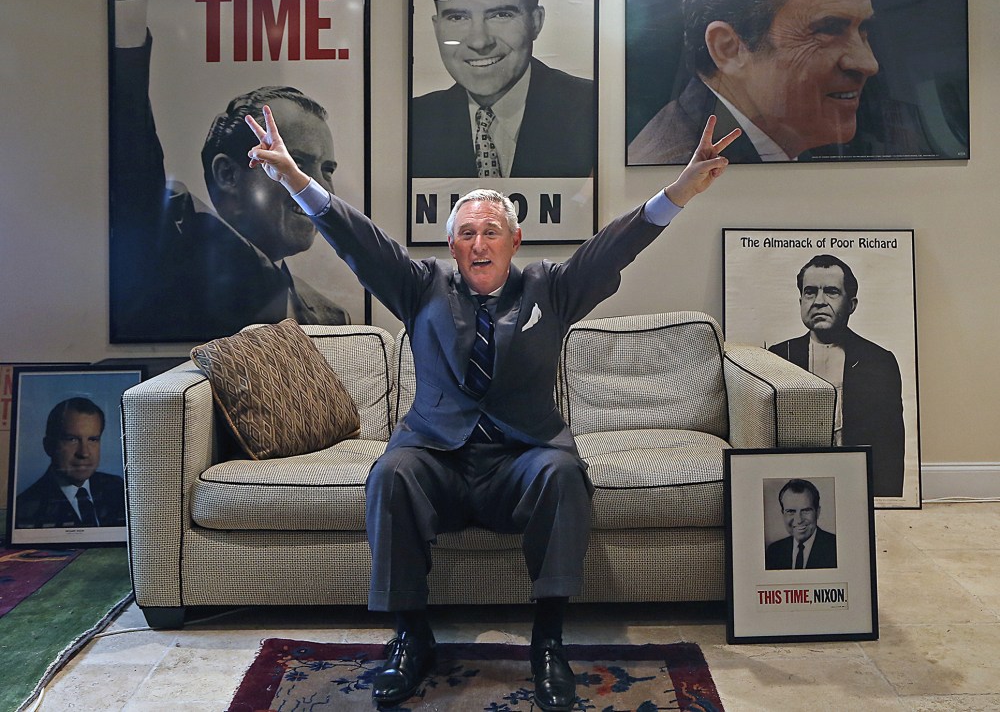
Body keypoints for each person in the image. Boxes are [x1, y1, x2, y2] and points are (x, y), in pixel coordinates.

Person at [245, 103, 738, 708]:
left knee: (564, 473)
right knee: (390, 473)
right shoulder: (419, 283)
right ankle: (410, 637)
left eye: (492, 232)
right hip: (437, 460)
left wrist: (681, 190)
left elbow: (614, 248)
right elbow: (355, 237)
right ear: (451, 244)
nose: (480, 243)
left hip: (521, 461)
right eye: (468, 233)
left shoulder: (549, 288)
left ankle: (549, 642)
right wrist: (295, 178)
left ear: (515, 241)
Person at [110, 0, 349, 342]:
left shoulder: (332, 318)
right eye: (293, 163)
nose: (313, 185)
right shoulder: (169, 236)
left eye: (326, 169)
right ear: (227, 174)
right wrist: (128, 7)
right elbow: (132, 148)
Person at [628, 0, 881, 165]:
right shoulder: (679, 172)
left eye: (864, 29)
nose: (868, 64)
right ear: (728, 49)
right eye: (829, 29)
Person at [410, 0, 595, 178]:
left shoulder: (594, 109)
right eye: (458, 17)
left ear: (536, 22)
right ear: (436, 27)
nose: (479, 42)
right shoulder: (413, 122)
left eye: (500, 15)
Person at [768, 254, 905, 498]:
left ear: (851, 304)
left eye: (831, 292)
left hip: (854, 481)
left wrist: (885, 502)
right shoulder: (777, 356)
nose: (819, 301)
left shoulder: (879, 361)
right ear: (800, 300)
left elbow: (890, 446)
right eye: (810, 292)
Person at [15, 398, 126, 530]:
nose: (84, 453)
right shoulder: (25, 507)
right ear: (49, 446)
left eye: (92, 439)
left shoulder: (118, 489)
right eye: (72, 439)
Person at [765, 479, 837, 570]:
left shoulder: (835, 548)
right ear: (783, 513)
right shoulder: (774, 551)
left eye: (806, 510)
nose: (799, 520)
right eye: (791, 511)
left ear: (817, 512)